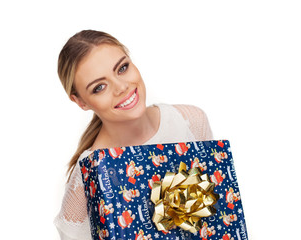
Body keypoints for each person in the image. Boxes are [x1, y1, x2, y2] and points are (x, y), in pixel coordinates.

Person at [53, 30, 213, 240]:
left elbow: (215, 213)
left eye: (122, 68)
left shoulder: (191, 121)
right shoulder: (89, 174)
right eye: (99, 87)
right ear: (81, 101)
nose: (121, 87)